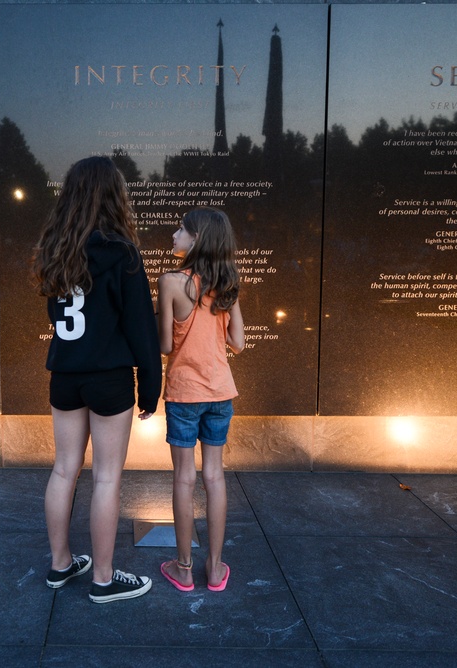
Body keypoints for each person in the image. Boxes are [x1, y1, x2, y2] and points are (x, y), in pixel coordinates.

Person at [33, 156, 162, 603]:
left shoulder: (55, 249)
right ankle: (103, 579)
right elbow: (141, 326)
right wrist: (151, 385)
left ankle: (60, 564)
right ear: (114, 195)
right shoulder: (122, 253)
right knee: (106, 479)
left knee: (64, 470)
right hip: (108, 378)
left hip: (64, 376)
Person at [157, 207, 244, 593]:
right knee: (214, 476)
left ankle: (184, 568)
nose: (174, 235)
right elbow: (238, 343)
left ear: (196, 239)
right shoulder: (226, 286)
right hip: (221, 392)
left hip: (183, 392)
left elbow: (164, 345)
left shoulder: (171, 282)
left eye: (181, 229)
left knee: (183, 477)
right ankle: (214, 568)